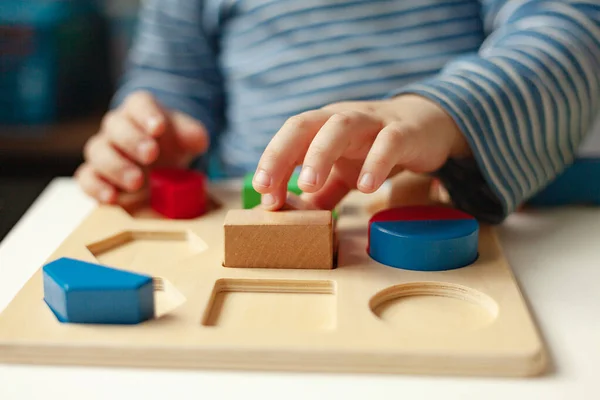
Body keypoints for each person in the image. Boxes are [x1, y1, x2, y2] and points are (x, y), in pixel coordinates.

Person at [76, 0, 600, 224]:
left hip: (459, 210)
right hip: (247, 205)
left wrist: (437, 113)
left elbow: (572, 33)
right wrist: (150, 132)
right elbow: (173, 77)